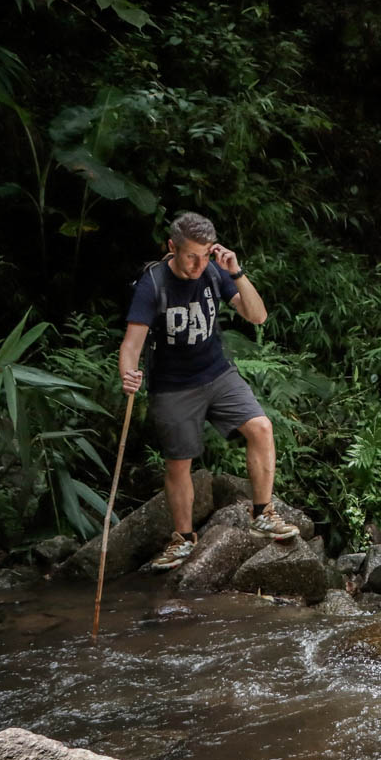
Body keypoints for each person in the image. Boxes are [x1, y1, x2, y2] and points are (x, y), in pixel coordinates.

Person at [118, 212, 301, 570]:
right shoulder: (153, 283)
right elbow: (131, 344)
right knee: (179, 462)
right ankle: (183, 539)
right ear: (173, 248)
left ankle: (263, 514)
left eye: (205, 255)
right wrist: (128, 373)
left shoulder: (215, 272)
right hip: (172, 386)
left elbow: (258, 316)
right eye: (191, 256)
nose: (199, 265)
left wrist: (236, 272)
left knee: (261, 427)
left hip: (217, 374)